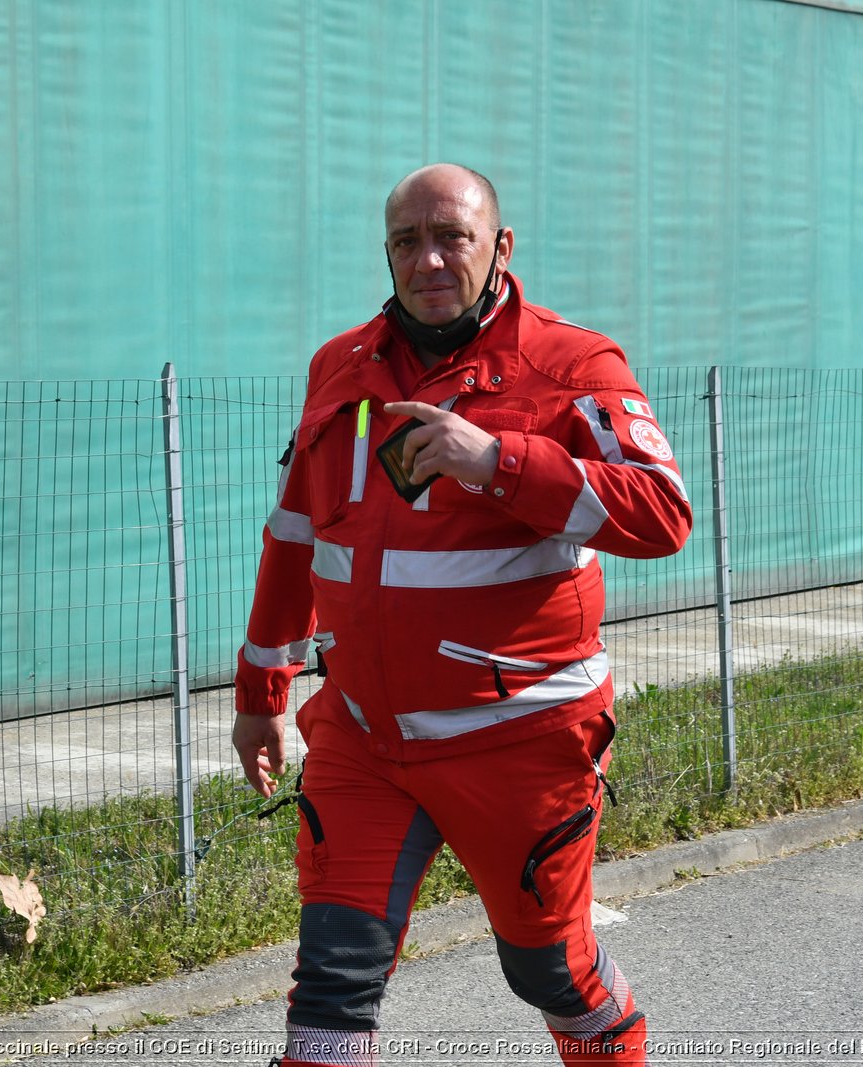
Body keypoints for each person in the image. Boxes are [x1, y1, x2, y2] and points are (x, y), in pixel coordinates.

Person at [233, 163, 692, 1067]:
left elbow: (663, 512)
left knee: (549, 975)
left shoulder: (574, 364)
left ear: (500, 248)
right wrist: (261, 690)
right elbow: (295, 536)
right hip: (364, 741)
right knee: (330, 986)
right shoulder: (341, 368)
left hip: (519, 742)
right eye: (407, 241)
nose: (429, 259)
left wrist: (501, 463)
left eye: (454, 237)